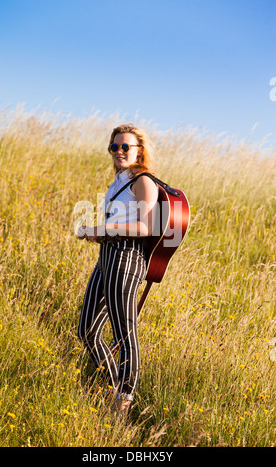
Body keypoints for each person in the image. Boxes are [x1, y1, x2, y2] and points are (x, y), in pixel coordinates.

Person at [76, 124, 158, 415]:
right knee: (87, 330)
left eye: (126, 147)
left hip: (127, 259)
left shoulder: (143, 181)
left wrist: (102, 228)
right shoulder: (117, 181)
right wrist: (98, 234)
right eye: (115, 147)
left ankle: (123, 402)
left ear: (139, 150)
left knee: (124, 334)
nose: (120, 152)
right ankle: (112, 385)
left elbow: (146, 227)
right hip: (107, 255)